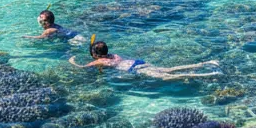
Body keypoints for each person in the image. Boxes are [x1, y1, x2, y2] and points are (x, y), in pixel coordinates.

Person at [71, 39, 220, 80]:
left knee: (168, 77)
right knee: (169, 69)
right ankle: (206, 63)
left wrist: (72, 61)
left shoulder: (99, 61)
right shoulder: (113, 55)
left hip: (133, 69)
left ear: (96, 54)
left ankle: (208, 74)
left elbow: (82, 67)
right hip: (138, 62)